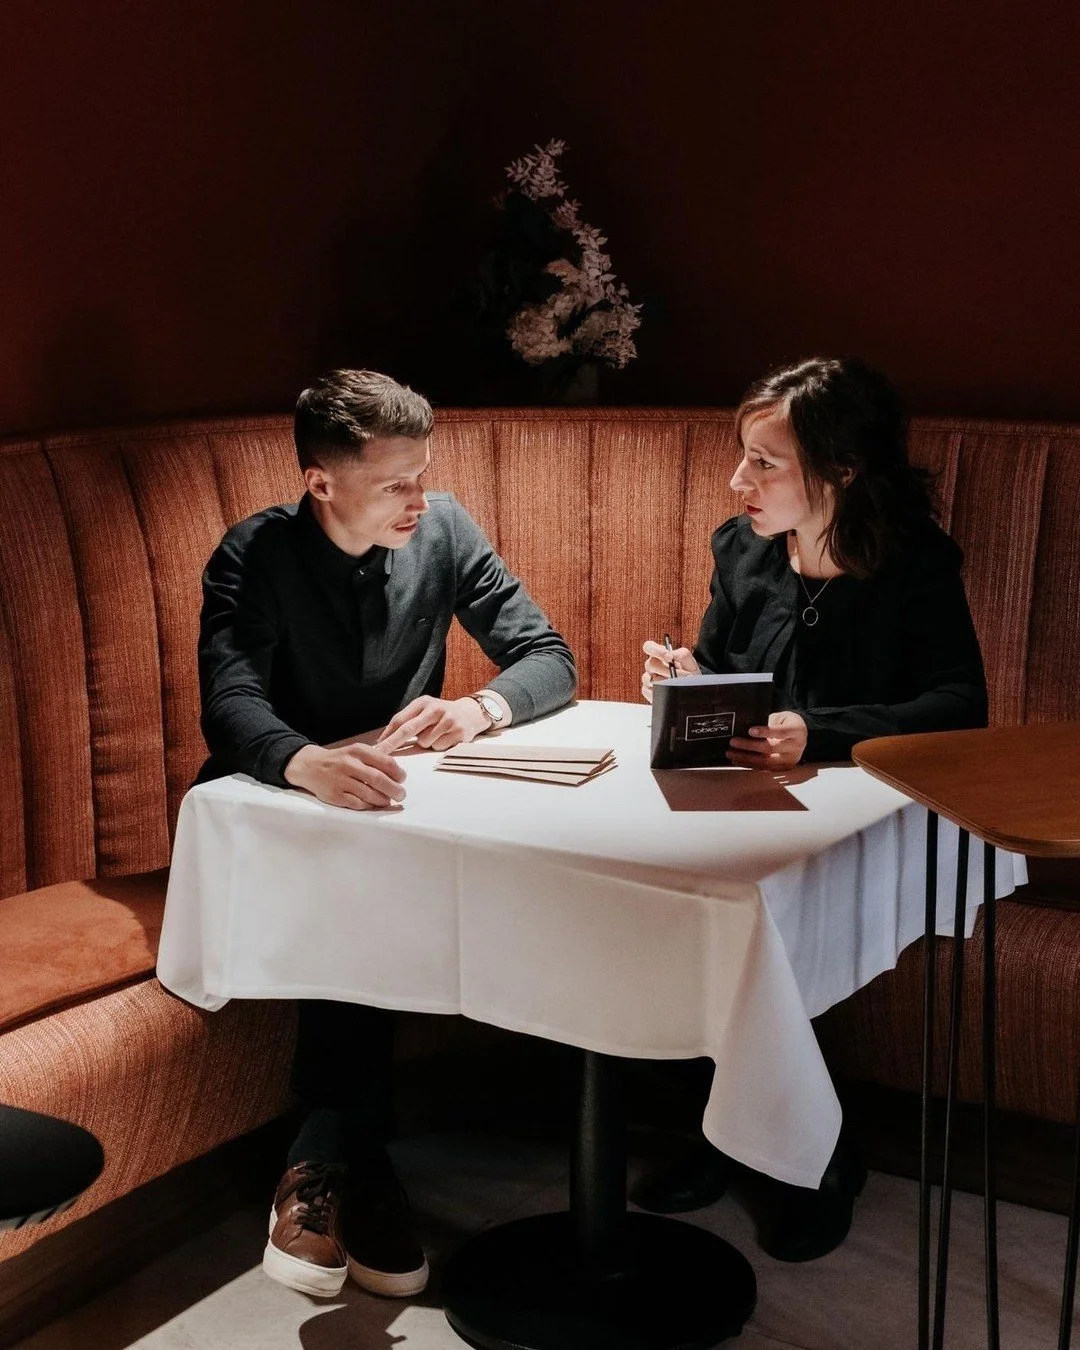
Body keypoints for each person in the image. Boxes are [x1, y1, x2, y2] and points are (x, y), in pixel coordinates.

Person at [198, 369, 576, 1299]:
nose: (421, 498)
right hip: (273, 810)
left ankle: (334, 1156)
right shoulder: (256, 553)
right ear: (322, 482)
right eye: (395, 483)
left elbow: (547, 656)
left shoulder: (443, 527)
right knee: (353, 884)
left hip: (403, 808)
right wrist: (303, 760)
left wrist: (479, 709)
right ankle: (353, 1163)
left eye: (424, 473)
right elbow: (230, 703)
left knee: (389, 876)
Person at [636, 355, 987, 1260]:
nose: (737, 481)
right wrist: (685, 684)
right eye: (742, 457)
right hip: (753, 801)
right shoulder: (741, 548)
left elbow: (959, 706)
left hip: (873, 810)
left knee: (757, 920)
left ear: (840, 469)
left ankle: (815, 1157)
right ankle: (725, 1136)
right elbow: (726, 672)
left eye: (765, 462)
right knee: (679, 897)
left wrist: (816, 733)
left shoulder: (913, 562)